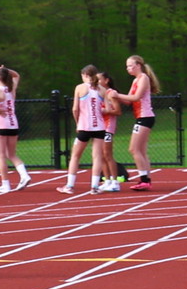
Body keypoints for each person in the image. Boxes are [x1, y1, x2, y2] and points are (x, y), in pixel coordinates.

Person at [110, 54, 161, 191]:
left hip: (145, 117)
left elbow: (136, 97)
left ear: (138, 65)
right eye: (127, 66)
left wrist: (117, 95)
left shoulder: (143, 78)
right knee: (141, 151)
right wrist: (115, 95)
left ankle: (144, 180)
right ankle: (146, 179)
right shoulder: (135, 81)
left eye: (130, 66)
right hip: (141, 117)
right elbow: (129, 100)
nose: (128, 69)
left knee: (133, 149)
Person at [57, 65, 107, 195]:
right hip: (99, 127)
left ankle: (69, 186)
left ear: (85, 75)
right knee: (97, 156)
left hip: (84, 126)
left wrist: (77, 122)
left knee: (75, 156)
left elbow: (75, 109)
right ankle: (94, 187)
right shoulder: (102, 90)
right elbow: (106, 108)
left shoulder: (80, 88)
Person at [0, 66, 31, 193]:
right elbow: (16, 75)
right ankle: (24, 175)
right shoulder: (11, 89)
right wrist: (6, 69)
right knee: (11, 154)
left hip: (0, 125)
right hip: (13, 124)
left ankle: (5, 184)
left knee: (1, 155)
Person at [97, 71, 123, 192]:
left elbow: (118, 111)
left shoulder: (110, 93)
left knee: (107, 154)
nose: (97, 82)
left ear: (106, 80)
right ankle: (107, 180)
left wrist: (104, 111)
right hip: (99, 126)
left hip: (108, 127)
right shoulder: (98, 93)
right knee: (100, 155)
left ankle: (115, 181)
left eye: (99, 79)